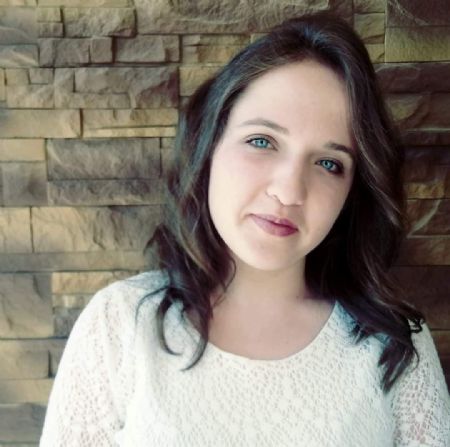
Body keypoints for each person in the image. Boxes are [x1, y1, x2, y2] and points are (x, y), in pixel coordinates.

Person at [39, 11, 450, 447]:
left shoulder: (394, 345)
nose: (289, 190)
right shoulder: (120, 324)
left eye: (329, 163)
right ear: (209, 145)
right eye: (262, 141)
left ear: (353, 191)